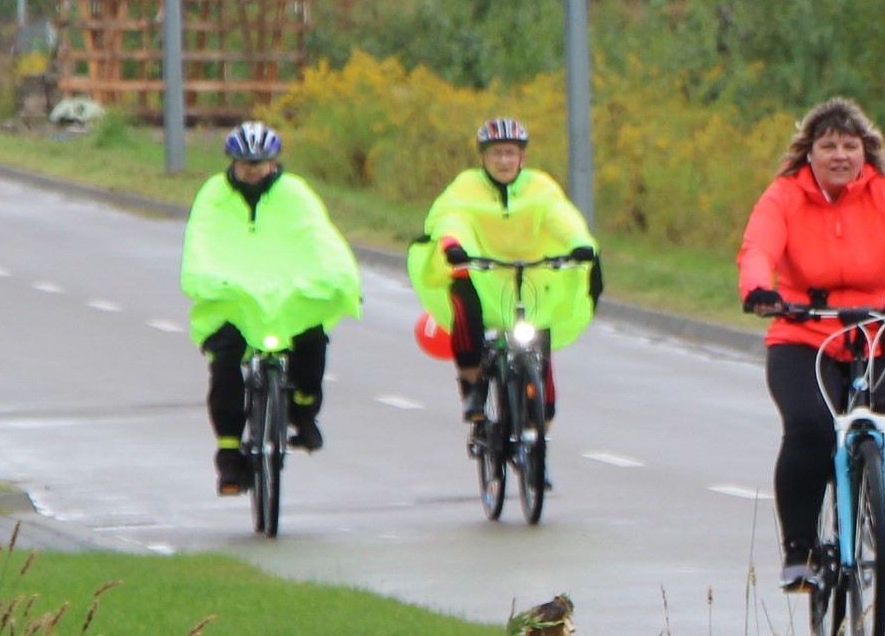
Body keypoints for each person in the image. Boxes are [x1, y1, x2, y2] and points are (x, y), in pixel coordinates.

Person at [736, 97, 885, 592]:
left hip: (879, 329)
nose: (840, 155)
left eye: (851, 145)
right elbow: (758, 248)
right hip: (804, 331)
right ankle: (800, 551)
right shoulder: (783, 197)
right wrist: (759, 291)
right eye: (828, 146)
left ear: (866, 151)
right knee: (809, 428)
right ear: (810, 153)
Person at [179, 120, 363, 495]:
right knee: (226, 361)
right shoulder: (214, 193)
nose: (251, 171)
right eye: (245, 164)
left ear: (274, 162)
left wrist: (338, 276)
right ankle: (229, 457)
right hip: (234, 297)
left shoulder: (294, 193)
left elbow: (318, 236)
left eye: (259, 164)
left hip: (287, 294)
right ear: (232, 161)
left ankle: (303, 410)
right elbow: (202, 239)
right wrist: (207, 278)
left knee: (312, 340)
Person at [407, 116, 602, 423]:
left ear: (522, 157)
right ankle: (472, 387)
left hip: (531, 274)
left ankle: (539, 444)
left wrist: (580, 242)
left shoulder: (539, 187)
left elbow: (560, 216)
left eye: (510, 153)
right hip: (482, 270)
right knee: (464, 297)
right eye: (495, 153)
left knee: (540, 344)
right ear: (483, 157)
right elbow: (451, 217)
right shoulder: (467, 187)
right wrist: (452, 245)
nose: (503, 160)